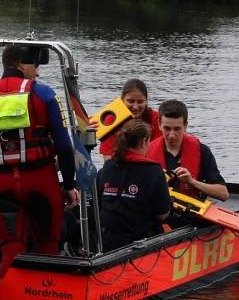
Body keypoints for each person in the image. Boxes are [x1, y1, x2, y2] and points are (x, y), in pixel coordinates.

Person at [0, 44, 78, 275]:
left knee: (11, 249)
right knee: (48, 246)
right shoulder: (43, 95)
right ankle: (45, 299)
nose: (38, 72)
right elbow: (64, 146)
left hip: (1, 186)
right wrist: (70, 185)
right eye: (35, 65)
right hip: (41, 182)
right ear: (21, 64)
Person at [96, 120, 171, 252]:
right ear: (143, 141)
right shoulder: (153, 170)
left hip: (107, 240)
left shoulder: (108, 166)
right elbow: (162, 214)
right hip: (139, 241)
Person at [146, 99, 229, 211]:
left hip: (190, 217)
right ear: (159, 124)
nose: (171, 135)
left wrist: (191, 181)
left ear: (185, 126)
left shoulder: (202, 151)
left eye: (177, 129)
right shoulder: (146, 151)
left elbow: (223, 194)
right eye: (167, 128)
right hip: (156, 215)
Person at [99, 78, 160, 157]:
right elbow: (108, 158)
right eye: (131, 101)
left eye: (140, 102)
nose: (135, 107)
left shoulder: (155, 118)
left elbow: (159, 151)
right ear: (122, 99)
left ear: (146, 101)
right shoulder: (111, 119)